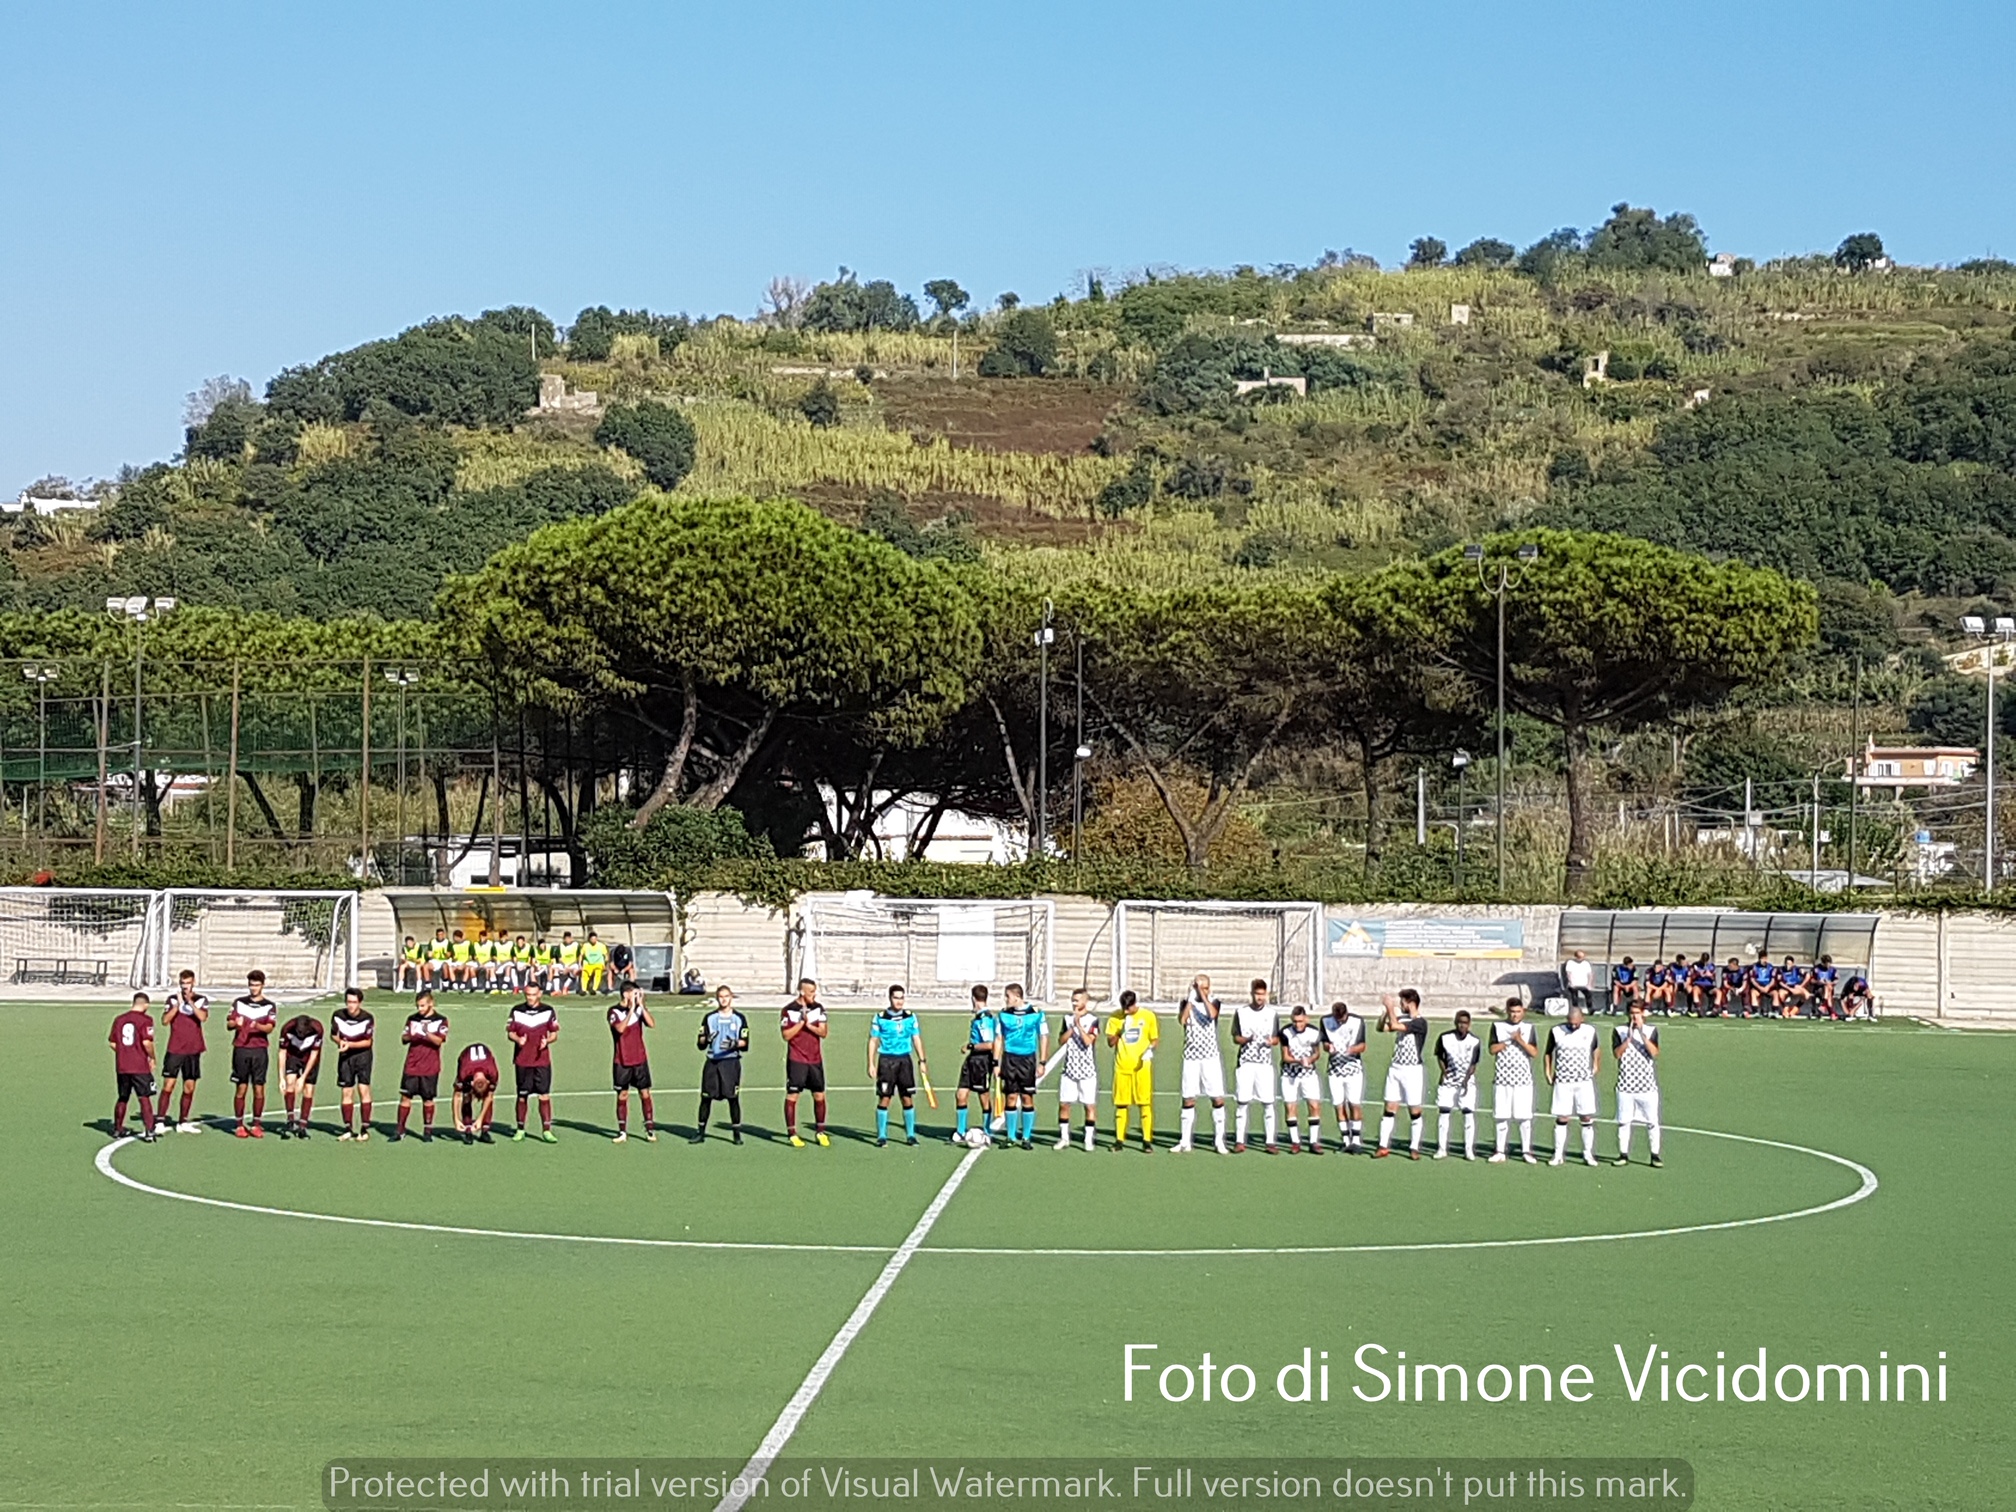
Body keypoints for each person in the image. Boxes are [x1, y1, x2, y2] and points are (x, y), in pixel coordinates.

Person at [1174, 973, 1228, 1154]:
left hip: (1210, 1058)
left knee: (1217, 1098)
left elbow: (1212, 1015)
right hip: (1191, 1057)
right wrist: (1190, 1001)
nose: (1201, 991)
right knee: (1188, 1098)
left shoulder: (1214, 1001)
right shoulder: (1186, 1002)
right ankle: (1185, 1141)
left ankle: (1219, 1141)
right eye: (1198, 987)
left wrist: (1203, 997)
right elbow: (1182, 1021)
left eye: (1204, 988)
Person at [1373, 989, 1430, 1160]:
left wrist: (1391, 1008)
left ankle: (1414, 1147)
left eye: (1402, 1002)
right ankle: (1383, 1145)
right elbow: (1381, 1028)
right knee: (1389, 1108)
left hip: (1412, 1070)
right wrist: (1385, 1013)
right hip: (1395, 1068)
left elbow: (1395, 1026)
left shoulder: (1420, 1022)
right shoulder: (1402, 1018)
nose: (1401, 1005)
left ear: (1410, 1003)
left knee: (1414, 1109)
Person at [867, 984, 926, 1147]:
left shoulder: (910, 1017)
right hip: (887, 1061)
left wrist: (922, 1061)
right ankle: (881, 1136)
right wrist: (871, 1063)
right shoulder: (880, 1017)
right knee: (885, 1098)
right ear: (890, 998)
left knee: (907, 1098)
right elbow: (873, 1040)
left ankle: (911, 1135)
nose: (899, 1001)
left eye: (901, 998)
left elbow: (916, 1038)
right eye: (896, 998)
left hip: (904, 1061)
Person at [1545, 1001, 1601, 1167]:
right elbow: (1548, 1052)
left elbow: (1596, 1048)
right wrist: (1548, 1071)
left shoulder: (1590, 1031)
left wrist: (1596, 1064)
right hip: (1563, 1081)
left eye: (1576, 1023)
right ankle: (1558, 1154)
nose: (1573, 1026)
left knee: (1586, 1117)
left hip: (1583, 1081)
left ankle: (1587, 1153)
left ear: (1582, 1019)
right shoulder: (1556, 1031)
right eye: (1570, 1023)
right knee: (1562, 1117)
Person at [694, 984, 750, 1144]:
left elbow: (745, 1043)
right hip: (712, 1062)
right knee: (706, 1098)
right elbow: (700, 1043)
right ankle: (700, 1133)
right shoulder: (709, 1018)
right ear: (717, 998)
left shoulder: (739, 1018)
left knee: (733, 1098)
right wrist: (707, 1039)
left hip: (731, 1063)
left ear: (731, 998)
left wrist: (734, 1043)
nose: (724, 1000)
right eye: (721, 997)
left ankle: (737, 1134)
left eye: (726, 996)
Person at [1104, 989, 1159, 1152]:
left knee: (1144, 1104)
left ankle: (1147, 1140)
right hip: (1122, 1067)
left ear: (1135, 1003)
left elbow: (1154, 1039)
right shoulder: (1115, 1018)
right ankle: (1119, 1140)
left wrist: (1150, 1050)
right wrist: (1120, 1032)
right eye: (1124, 1009)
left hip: (1141, 1068)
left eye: (1128, 1008)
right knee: (1121, 1105)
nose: (1126, 1012)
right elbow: (1110, 1042)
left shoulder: (1148, 1016)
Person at [156, 969, 208, 1134]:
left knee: (189, 1087)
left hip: (193, 1049)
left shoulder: (200, 999)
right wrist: (177, 1005)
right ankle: (160, 1121)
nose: (185, 986)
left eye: (188, 983)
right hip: (175, 1048)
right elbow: (165, 1020)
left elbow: (202, 1017)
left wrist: (189, 1001)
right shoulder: (172, 1000)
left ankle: (183, 1121)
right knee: (168, 1085)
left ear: (193, 983)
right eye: (183, 983)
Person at [227, 970, 278, 1139]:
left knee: (259, 1089)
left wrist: (257, 1026)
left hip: (259, 1051)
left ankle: (256, 1124)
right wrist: (236, 1023)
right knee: (241, 1088)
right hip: (241, 1049)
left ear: (262, 985)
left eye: (256, 985)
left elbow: (270, 1028)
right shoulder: (239, 1003)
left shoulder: (269, 1006)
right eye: (251, 985)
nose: (253, 988)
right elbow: (229, 1024)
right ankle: (239, 1125)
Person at [780, 977, 830, 1148]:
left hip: (815, 1060)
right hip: (797, 1059)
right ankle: (792, 1134)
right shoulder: (788, 1010)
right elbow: (786, 1035)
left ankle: (820, 1132)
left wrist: (809, 1025)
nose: (814, 995)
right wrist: (801, 1023)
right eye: (811, 992)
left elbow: (823, 1032)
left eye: (815, 992)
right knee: (793, 1095)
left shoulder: (818, 1009)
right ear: (802, 992)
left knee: (819, 1095)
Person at [393, 990, 448, 1142]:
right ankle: (400, 1130)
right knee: (405, 1097)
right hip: (412, 1065)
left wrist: (426, 1033)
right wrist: (411, 1035)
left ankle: (427, 1131)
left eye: (423, 1006)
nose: (420, 1009)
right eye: (418, 1006)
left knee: (428, 1099)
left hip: (430, 1067)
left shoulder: (441, 1020)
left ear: (431, 1003)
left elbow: (439, 1041)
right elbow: (404, 1038)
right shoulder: (412, 1019)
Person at [1230, 979, 1278, 1154]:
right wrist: (1246, 1039)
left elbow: (1276, 1038)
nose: (1260, 998)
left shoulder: (1272, 1014)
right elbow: (1235, 1037)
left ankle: (1270, 1142)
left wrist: (1271, 1041)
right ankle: (1239, 1140)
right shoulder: (1241, 1013)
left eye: (1262, 994)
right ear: (1252, 994)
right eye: (1257, 994)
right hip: (1246, 1063)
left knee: (1268, 1103)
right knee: (1242, 1102)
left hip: (1264, 1063)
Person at [1488, 997, 1538, 1164]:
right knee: (1501, 1116)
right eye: (1512, 1012)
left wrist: (1520, 1041)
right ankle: (1500, 1151)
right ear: (1507, 1011)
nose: (1515, 1015)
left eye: (1518, 1012)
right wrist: (1508, 1041)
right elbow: (1492, 1049)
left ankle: (1526, 1151)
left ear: (1523, 1011)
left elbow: (1534, 1052)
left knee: (1524, 1117)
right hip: (1502, 1079)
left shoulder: (1529, 1028)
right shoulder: (1497, 1027)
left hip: (1523, 1080)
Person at [508, 983, 560, 1142]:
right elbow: (510, 1033)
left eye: (533, 994)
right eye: (527, 995)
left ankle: (546, 1131)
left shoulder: (548, 1010)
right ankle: (520, 1129)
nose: (530, 998)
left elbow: (554, 1034)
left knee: (544, 1095)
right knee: (522, 1096)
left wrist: (547, 1041)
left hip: (541, 1061)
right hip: (523, 1061)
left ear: (539, 994)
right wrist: (518, 1039)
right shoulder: (517, 1010)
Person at [1613, 1001, 1662, 1167]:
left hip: (1647, 1086)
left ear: (1643, 1014)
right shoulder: (1619, 1031)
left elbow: (1654, 1053)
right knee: (1624, 1122)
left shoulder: (1651, 1031)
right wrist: (1628, 1038)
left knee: (1652, 1122)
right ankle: (1623, 1154)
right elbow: (1617, 1054)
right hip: (1625, 1086)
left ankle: (1655, 1155)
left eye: (1637, 1013)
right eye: (1632, 1013)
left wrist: (1641, 1033)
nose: (1634, 1017)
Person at [998, 983, 1047, 1150]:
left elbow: (1043, 1036)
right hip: (1010, 1058)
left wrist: (1042, 1062)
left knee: (1027, 1097)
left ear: (1017, 997)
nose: (1006, 999)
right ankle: (1010, 1136)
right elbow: (999, 1038)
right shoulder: (1004, 1015)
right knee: (1010, 1097)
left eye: (1008, 996)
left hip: (1027, 1059)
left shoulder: (1036, 1013)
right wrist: (996, 1062)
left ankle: (1026, 1137)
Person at [1054, 987, 1101, 1152]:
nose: (1074, 1003)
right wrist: (1072, 1027)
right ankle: (1064, 1137)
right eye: (1073, 1000)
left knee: (1089, 1106)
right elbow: (1061, 1040)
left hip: (1087, 1071)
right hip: (1069, 1070)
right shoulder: (1067, 1019)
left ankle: (1088, 1139)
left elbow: (1088, 1041)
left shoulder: (1093, 1020)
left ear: (1085, 1001)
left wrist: (1079, 1026)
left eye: (1077, 1000)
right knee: (1064, 1104)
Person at [109, 992, 160, 1142]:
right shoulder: (146, 1020)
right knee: (144, 1097)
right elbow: (146, 1042)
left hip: (122, 1066)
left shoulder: (119, 1019)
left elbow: (112, 1043)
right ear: (146, 1004)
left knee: (123, 1097)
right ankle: (149, 1130)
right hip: (139, 1066)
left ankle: (118, 1129)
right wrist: (152, 1057)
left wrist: (125, 1053)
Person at [953, 984, 1001, 1145]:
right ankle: (960, 1131)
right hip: (972, 1060)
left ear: (974, 998)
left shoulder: (984, 1020)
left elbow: (990, 1044)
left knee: (983, 1097)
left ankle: (987, 1131)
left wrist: (970, 1046)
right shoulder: (980, 1018)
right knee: (961, 1095)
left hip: (982, 1061)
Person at [1432, 1010, 1483, 1160]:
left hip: (1466, 1081)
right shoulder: (1444, 1038)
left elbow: (1473, 1064)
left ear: (1469, 1024)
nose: (1462, 1026)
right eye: (1460, 1022)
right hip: (1449, 1081)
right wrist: (1444, 1072)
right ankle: (1442, 1148)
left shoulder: (1474, 1041)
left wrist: (1466, 1080)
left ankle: (1468, 1150)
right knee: (1444, 1112)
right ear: (1455, 1023)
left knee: (1468, 1113)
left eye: (1465, 1023)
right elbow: (1440, 1056)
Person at [608, 983, 655, 1143]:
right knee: (623, 1095)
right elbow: (620, 1029)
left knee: (645, 1093)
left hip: (640, 1059)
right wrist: (631, 1010)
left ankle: (649, 1129)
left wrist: (641, 1006)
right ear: (626, 994)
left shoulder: (639, 1010)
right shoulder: (614, 1011)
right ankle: (622, 1132)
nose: (636, 996)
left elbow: (651, 1024)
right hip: (622, 1061)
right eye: (634, 994)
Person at [1320, 999, 1367, 1155]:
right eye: (1337, 1019)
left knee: (1354, 1104)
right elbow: (1324, 1043)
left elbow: (1363, 1046)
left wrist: (1351, 1050)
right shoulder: (1325, 1021)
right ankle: (1346, 1141)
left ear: (1346, 1013)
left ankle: (1356, 1141)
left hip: (1353, 1070)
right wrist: (1329, 1047)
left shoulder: (1357, 1022)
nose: (1339, 1022)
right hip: (1334, 1071)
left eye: (1342, 1019)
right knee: (1338, 1105)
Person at [1278, 1004, 1323, 1154]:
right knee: (1291, 1107)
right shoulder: (1285, 1032)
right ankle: (1295, 1142)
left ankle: (1313, 1141)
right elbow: (1285, 1057)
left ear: (1306, 1019)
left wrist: (1309, 1060)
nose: (1298, 1025)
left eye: (1300, 1021)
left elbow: (1317, 1053)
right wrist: (1299, 1061)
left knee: (1314, 1106)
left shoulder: (1314, 1032)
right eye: (1295, 1021)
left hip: (1308, 1074)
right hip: (1289, 1074)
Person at [330, 988, 376, 1141]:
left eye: (354, 1002)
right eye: (349, 1002)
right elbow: (333, 1035)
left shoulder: (367, 1018)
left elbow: (368, 1042)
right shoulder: (338, 1016)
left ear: (360, 1003)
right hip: (345, 1057)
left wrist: (349, 1045)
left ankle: (364, 1129)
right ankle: (348, 1128)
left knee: (363, 1089)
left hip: (363, 1057)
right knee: (346, 1092)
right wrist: (340, 1042)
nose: (351, 1005)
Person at [277, 1007, 324, 1139]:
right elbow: (282, 1052)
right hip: (293, 1055)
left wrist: (303, 1077)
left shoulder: (317, 1029)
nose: (300, 1035)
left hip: (310, 1057)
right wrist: (281, 1078)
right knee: (290, 1083)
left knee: (308, 1089)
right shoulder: (287, 1028)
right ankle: (290, 1119)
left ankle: (303, 1125)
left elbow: (314, 1054)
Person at [455, 1039, 501, 1143]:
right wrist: (456, 1119)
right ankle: (467, 1129)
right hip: (465, 1057)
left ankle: (485, 1130)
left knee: (488, 1098)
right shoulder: (464, 1073)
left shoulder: (493, 1073)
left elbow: (489, 1096)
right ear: (471, 1083)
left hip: (484, 1059)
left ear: (488, 1081)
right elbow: (457, 1095)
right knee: (466, 1096)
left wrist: (480, 1119)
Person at [1561, 950, 1595, 1015]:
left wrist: (1589, 984)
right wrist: (1571, 982)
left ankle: (1590, 1009)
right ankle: (1575, 1010)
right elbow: (1569, 974)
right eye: (1580, 957)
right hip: (1574, 984)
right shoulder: (1570, 963)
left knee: (1588, 996)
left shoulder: (1586, 963)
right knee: (1574, 997)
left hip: (1584, 984)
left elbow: (1590, 974)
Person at [581, 932, 609, 996]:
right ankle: (583, 990)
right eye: (592, 939)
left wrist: (605, 964)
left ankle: (594, 989)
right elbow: (581, 955)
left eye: (595, 939)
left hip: (598, 963)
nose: (594, 940)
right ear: (589, 939)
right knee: (584, 974)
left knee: (598, 974)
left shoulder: (601, 946)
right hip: (588, 963)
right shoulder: (585, 945)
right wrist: (580, 965)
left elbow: (606, 956)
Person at [555, 931, 583, 995]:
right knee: (554, 969)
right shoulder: (560, 946)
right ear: (564, 939)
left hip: (573, 964)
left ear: (571, 938)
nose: (568, 940)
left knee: (576, 971)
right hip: (564, 964)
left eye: (569, 938)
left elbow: (578, 957)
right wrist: (565, 965)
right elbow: (559, 959)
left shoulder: (576, 945)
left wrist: (569, 967)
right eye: (566, 938)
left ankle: (566, 987)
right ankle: (556, 990)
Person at [448, 929, 475, 993]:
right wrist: (454, 959)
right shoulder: (453, 945)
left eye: (455, 937)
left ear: (458, 937)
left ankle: (463, 984)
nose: (454, 939)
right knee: (450, 968)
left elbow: (471, 957)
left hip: (467, 962)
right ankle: (454, 984)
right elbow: (452, 957)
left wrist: (463, 964)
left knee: (467, 968)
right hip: (457, 963)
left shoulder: (468, 943)